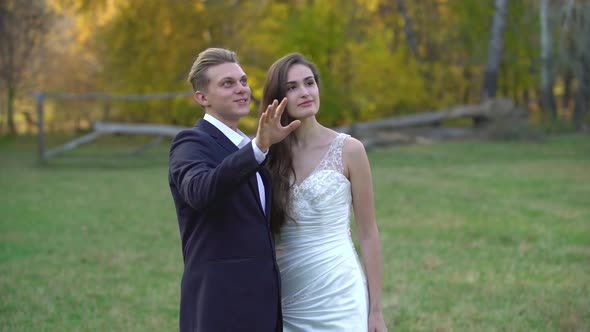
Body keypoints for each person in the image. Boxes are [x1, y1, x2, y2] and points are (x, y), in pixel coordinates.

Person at [168, 48, 300, 332]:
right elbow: (201, 191)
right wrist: (258, 148)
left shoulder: (249, 145)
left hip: (263, 302)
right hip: (220, 304)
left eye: (243, 81)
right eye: (227, 83)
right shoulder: (190, 143)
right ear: (202, 98)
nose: (242, 89)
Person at [261, 53, 389, 331]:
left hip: (340, 292)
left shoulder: (350, 150)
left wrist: (376, 310)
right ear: (276, 98)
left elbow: (368, 233)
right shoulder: (266, 157)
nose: (304, 92)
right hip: (287, 297)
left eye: (309, 83)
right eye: (292, 87)